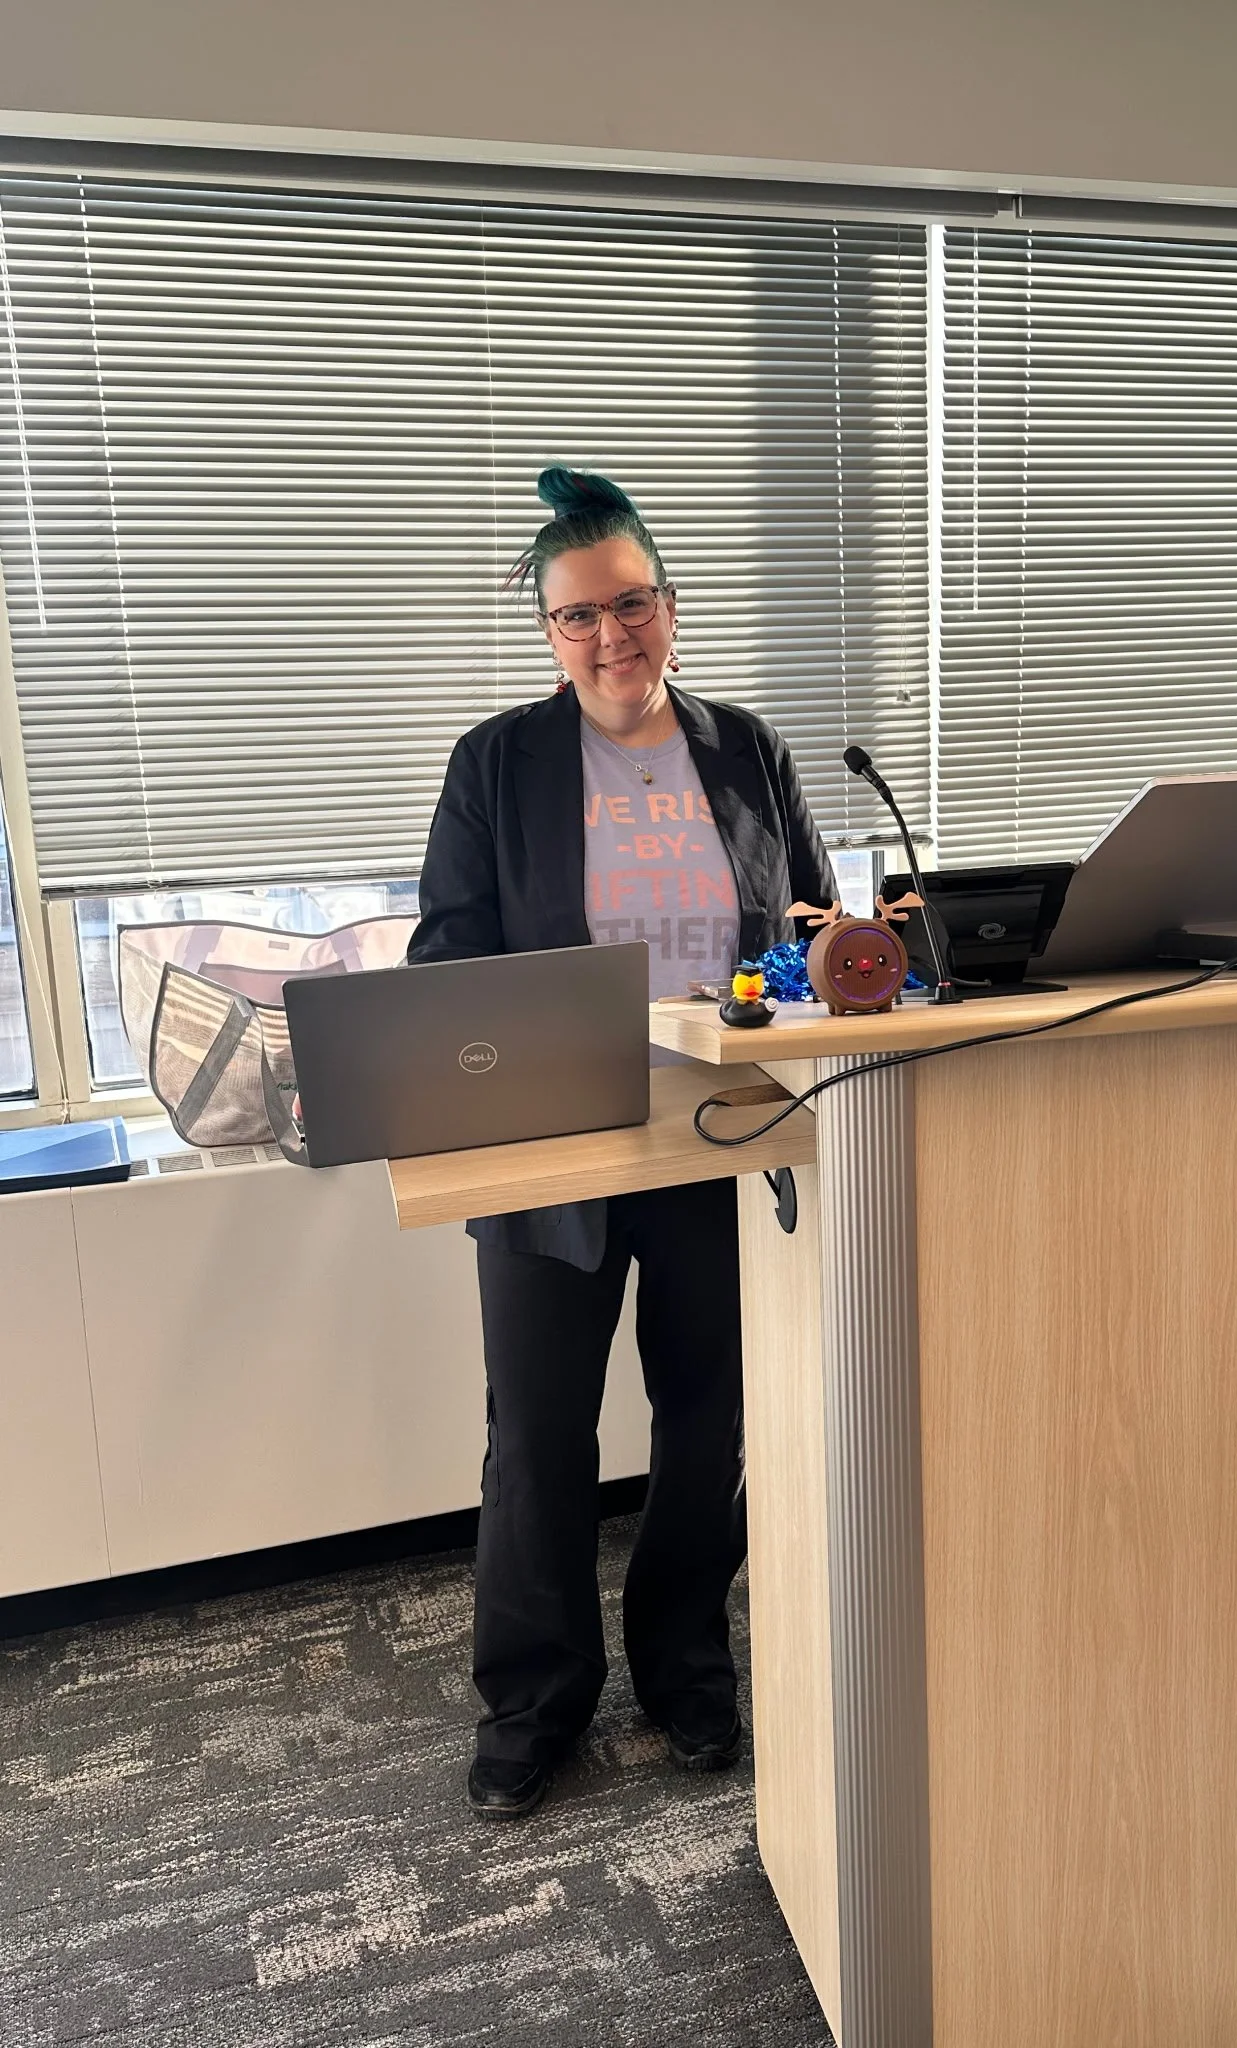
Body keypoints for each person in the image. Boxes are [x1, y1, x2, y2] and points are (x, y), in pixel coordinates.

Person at [409, 467, 836, 1819]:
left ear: (671, 606)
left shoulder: (745, 748)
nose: (611, 635)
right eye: (577, 615)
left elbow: (806, 925)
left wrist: (826, 951)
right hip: (556, 1146)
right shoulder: (497, 764)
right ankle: (535, 1702)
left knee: (707, 1422)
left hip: (725, 1131)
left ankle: (687, 1665)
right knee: (536, 1436)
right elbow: (445, 957)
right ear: (548, 631)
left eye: (632, 603)